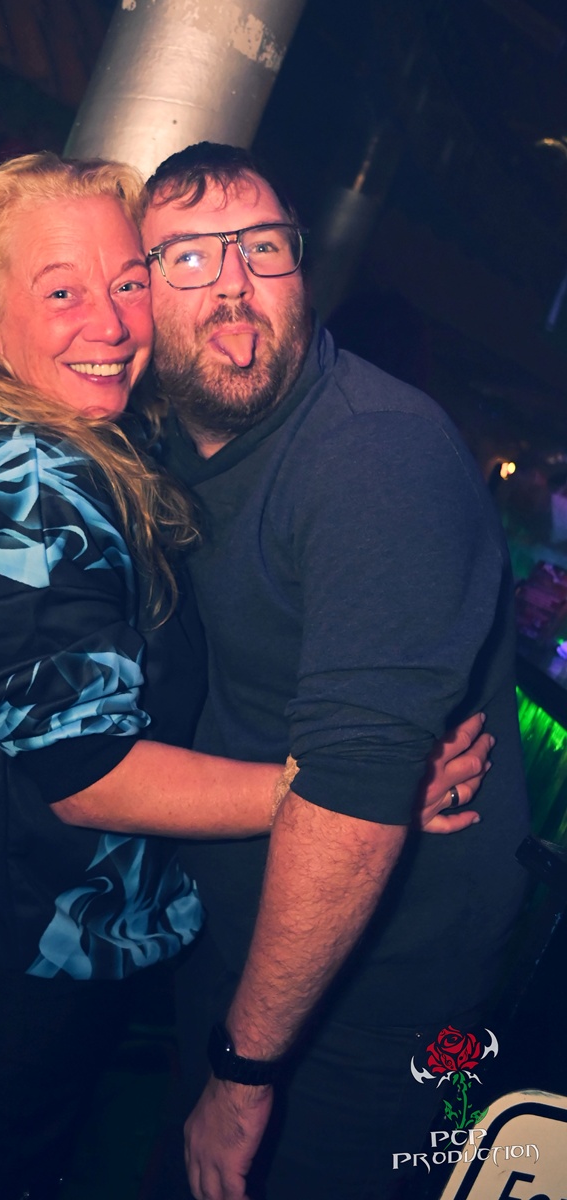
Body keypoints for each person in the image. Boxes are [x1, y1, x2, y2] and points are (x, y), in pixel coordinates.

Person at [0, 152, 489, 1200]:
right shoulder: (30, 485)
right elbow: (87, 771)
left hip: (28, 940)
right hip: (21, 963)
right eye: (61, 293)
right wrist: (332, 792)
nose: (111, 323)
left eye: (124, 283)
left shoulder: (107, 441)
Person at [138, 143, 530, 1200]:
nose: (233, 282)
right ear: (140, 296)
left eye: (262, 247)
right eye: (188, 256)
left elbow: (351, 800)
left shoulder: (375, 457)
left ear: (300, 268)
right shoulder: (162, 448)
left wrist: (243, 1074)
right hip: (231, 947)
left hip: (370, 1001)